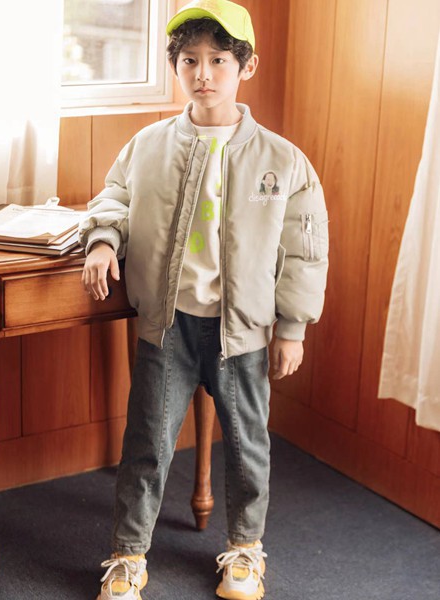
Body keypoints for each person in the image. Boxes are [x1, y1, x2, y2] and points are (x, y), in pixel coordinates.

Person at [78, 1, 329, 599]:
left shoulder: (283, 160)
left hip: (242, 333)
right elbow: (114, 196)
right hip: (167, 328)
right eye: (189, 60)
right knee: (147, 445)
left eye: (219, 60)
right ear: (176, 66)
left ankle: (245, 550)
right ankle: (128, 555)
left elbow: (305, 251)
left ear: (247, 66)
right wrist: (104, 241)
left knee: (247, 448)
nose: (203, 73)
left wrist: (292, 327)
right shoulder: (148, 145)